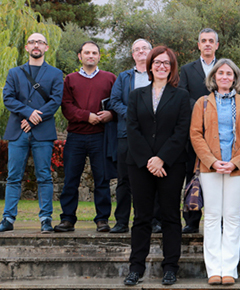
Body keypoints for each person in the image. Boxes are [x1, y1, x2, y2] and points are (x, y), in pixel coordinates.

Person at [123, 46, 190, 286]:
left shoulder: (181, 96)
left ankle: (170, 267)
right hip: (140, 164)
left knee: (171, 216)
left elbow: (182, 131)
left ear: (172, 68)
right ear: (150, 65)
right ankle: (136, 268)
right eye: (157, 62)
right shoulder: (136, 95)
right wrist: (149, 160)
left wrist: (162, 158)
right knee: (141, 217)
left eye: (167, 63)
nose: (162, 66)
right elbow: (132, 129)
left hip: (171, 164)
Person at [191, 59, 240, 286]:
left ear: (235, 78)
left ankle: (229, 269)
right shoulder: (202, 103)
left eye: (229, 73)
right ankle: (213, 270)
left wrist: (235, 162)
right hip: (210, 167)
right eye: (221, 73)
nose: (225, 77)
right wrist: (211, 161)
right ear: (213, 77)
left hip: (236, 168)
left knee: (231, 216)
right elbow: (195, 135)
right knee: (211, 216)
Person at [0, 33, 63, 233]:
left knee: (44, 176)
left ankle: (45, 219)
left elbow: (55, 101)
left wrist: (36, 118)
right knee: (13, 176)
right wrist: (28, 114)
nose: (36, 45)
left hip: (43, 132)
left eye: (40, 42)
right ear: (26, 47)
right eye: (32, 42)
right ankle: (8, 219)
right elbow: (8, 98)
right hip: (18, 131)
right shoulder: (14, 73)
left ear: (46, 47)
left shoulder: (55, 73)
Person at [55, 41, 116, 233]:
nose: (91, 55)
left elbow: (116, 103)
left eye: (94, 53)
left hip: (100, 136)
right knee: (71, 179)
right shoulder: (70, 80)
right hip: (76, 137)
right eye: (87, 52)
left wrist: (110, 115)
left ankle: (102, 219)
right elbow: (66, 106)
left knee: (102, 179)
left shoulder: (110, 78)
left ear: (99, 56)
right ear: (80, 56)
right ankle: (67, 219)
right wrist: (86, 116)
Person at [108, 39, 162, 234]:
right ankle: (121, 221)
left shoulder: (158, 75)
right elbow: (114, 101)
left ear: (151, 52)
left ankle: (154, 220)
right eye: (137, 49)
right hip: (127, 135)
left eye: (144, 48)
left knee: (153, 178)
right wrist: (133, 115)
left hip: (152, 136)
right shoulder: (123, 77)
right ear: (133, 54)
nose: (141, 51)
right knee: (124, 180)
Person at [179, 28, 219, 234]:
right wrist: (203, 108)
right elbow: (183, 96)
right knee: (191, 175)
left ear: (217, 45)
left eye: (211, 41)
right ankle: (191, 221)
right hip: (194, 131)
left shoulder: (225, 67)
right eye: (204, 40)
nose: (207, 44)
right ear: (198, 45)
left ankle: (218, 219)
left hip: (220, 133)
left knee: (218, 175)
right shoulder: (186, 70)